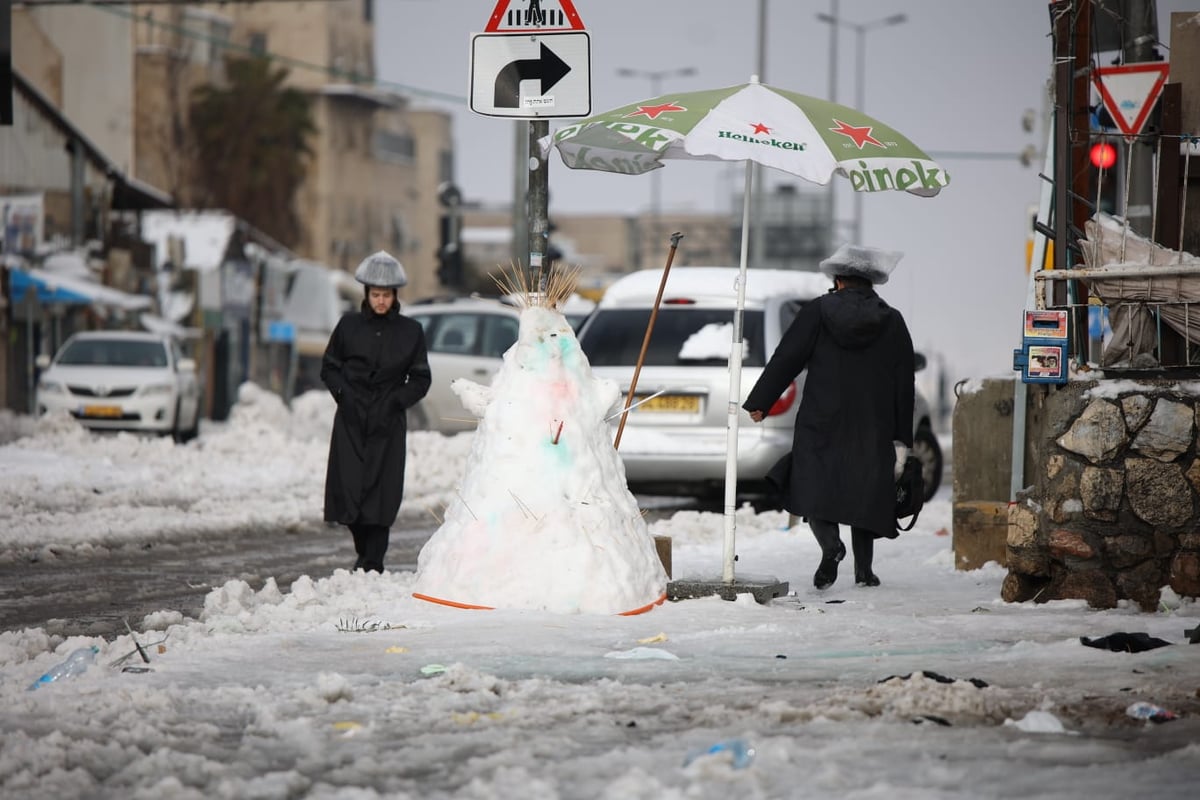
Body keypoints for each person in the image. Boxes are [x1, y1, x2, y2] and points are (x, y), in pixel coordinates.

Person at [743, 244, 915, 589]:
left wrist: (760, 401)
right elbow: (903, 380)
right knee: (866, 490)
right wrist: (902, 435)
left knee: (814, 485)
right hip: (873, 422)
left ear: (838, 281)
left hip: (822, 416)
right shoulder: (892, 319)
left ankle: (831, 547)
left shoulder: (818, 311)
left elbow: (787, 357)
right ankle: (864, 571)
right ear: (870, 283)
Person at [321, 251, 432, 572]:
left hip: (388, 423)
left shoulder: (411, 332)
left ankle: (373, 560)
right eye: (375, 295)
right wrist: (343, 393)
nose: (380, 301)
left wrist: (397, 400)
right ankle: (363, 550)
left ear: (395, 296)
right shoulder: (348, 327)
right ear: (366, 295)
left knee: (381, 494)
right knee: (350, 489)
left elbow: (421, 377)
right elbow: (329, 368)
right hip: (351, 420)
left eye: (386, 295)